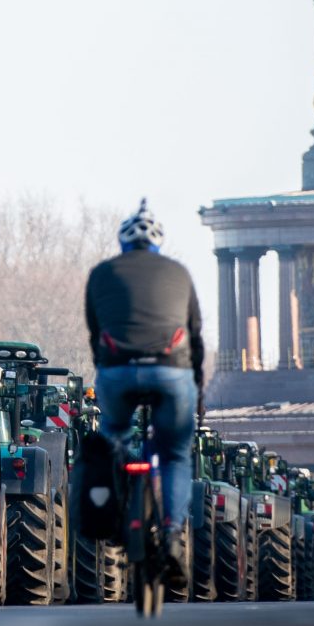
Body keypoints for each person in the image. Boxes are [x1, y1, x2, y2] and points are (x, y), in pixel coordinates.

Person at [85, 198, 204, 589]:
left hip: (118, 372)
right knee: (174, 453)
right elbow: (195, 334)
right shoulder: (179, 273)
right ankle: (170, 534)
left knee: (113, 437)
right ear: (158, 243)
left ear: (122, 242)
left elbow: (94, 331)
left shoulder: (101, 273)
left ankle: (118, 513)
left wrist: (107, 367)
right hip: (172, 374)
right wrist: (197, 388)